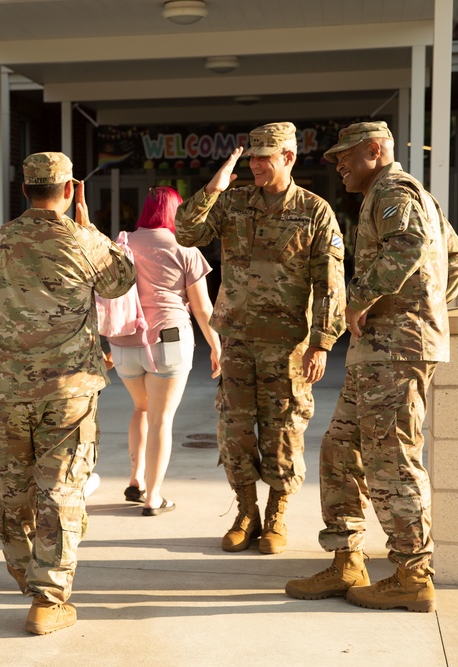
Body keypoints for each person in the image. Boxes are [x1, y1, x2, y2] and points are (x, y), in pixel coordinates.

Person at [285, 121, 458, 612]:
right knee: (341, 449)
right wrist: (426, 306)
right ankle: (347, 559)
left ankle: (412, 575)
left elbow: (407, 247)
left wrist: (365, 301)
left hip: (395, 350)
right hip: (385, 350)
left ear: (374, 149)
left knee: (393, 459)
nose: (339, 164)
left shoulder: (394, 189)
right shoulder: (397, 193)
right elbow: (454, 254)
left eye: (346, 155)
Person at [0, 151, 136, 635]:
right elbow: (122, 281)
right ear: (70, 189)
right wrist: (90, 226)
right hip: (69, 392)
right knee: (59, 489)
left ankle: (23, 570)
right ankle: (48, 597)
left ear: (23, 191)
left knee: (12, 488)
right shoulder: (82, 242)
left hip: (6, 389)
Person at [175, 122, 346, 555]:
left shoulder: (314, 211)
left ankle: (276, 517)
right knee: (234, 430)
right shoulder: (233, 202)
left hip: (286, 345)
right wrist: (221, 177)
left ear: (288, 158)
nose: (254, 164)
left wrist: (322, 341)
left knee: (284, 431)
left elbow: (330, 283)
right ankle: (246, 512)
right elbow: (186, 231)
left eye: (262, 158)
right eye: (250, 156)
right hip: (237, 339)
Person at [109, 186, 221, 516]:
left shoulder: (123, 243)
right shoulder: (185, 247)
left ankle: (135, 480)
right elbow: (202, 308)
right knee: (161, 419)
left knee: (140, 409)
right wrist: (216, 346)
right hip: (169, 342)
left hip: (125, 343)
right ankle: (153, 497)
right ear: (177, 212)